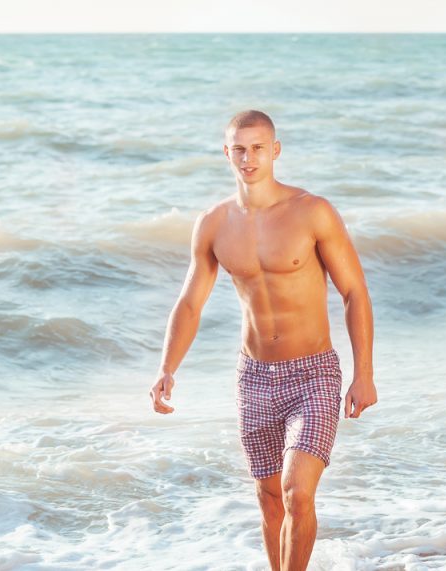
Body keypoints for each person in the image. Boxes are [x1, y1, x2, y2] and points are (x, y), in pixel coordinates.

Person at [150, 109, 377, 570]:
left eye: (257, 148)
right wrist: (166, 369)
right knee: (270, 497)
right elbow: (190, 302)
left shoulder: (313, 211)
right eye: (239, 149)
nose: (248, 158)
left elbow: (354, 291)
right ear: (226, 153)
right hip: (253, 377)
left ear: (275, 150)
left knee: (298, 491)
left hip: (312, 372)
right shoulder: (213, 224)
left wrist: (364, 374)